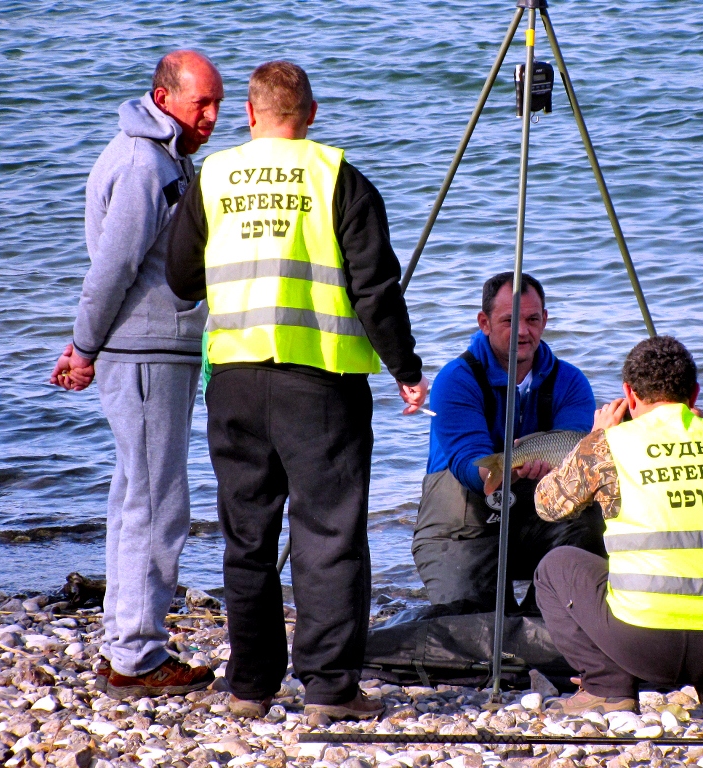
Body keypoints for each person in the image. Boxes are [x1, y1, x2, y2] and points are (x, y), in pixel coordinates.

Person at [166, 61, 428, 723]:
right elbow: (375, 288)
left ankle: (251, 685)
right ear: (309, 114)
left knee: (247, 535)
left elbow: (180, 278)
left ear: (250, 116)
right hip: (320, 380)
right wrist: (405, 366)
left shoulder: (215, 177)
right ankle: (330, 688)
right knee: (328, 532)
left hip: (234, 378)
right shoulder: (337, 175)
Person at [49, 50, 223, 698]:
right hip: (144, 352)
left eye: (218, 104)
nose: (211, 116)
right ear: (162, 95)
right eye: (200, 103)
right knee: (157, 504)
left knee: (134, 499)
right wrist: (83, 345)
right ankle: (138, 657)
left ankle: (126, 641)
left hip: (153, 350)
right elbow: (112, 267)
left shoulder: (165, 155)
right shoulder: (145, 163)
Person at [533, 336, 703, 717]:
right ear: (695, 394)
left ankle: (607, 687)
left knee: (554, 568)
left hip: (644, 647)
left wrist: (592, 437)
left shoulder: (609, 445)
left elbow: (547, 503)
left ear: (629, 395)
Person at [412, 272, 605, 613]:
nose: (522, 331)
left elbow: (575, 451)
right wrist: (499, 474)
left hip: (539, 519)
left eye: (532, 319)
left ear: (545, 320)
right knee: (474, 623)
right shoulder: (455, 379)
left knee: (590, 522)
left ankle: (544, 616)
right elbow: (466, 460)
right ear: (484, 322)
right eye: (508, 320)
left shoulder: (571, 381)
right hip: (463, 525)